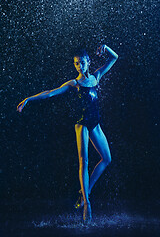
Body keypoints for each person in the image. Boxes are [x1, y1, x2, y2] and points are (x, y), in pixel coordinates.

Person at [17, 44, 118, 224]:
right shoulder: (74, 83)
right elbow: (49, 93)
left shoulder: (96, 77)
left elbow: (114, 58)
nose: (79, 66)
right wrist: (28, 99)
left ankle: (84, 192)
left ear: (88, 61)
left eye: (82, 63)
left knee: (107, 159)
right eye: (76, 64)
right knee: (84, 162)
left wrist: (105, 47)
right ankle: (86, 203)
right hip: (81, 125)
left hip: (95, 124)